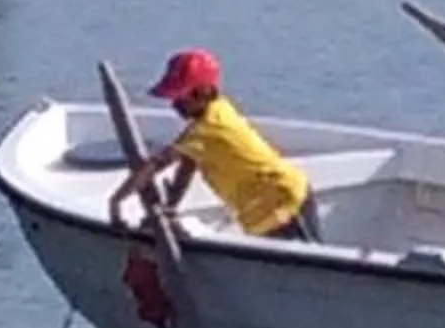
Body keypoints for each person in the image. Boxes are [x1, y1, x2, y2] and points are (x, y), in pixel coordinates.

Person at [109, 48, 317, 241]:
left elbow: (155, 165)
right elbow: (188, 165)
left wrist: (117, 201)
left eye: (181, 98)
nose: (175, 105)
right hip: (265, 210)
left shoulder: (208, 128)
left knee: (311, 273)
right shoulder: (216, 111)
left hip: (284, 205)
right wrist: (170, 206)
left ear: (203, 93)